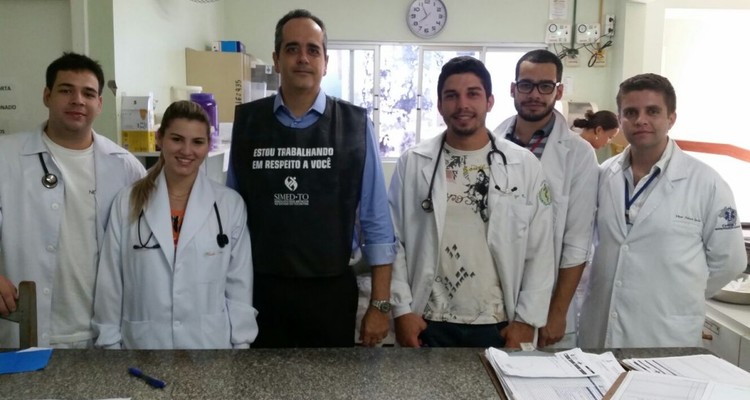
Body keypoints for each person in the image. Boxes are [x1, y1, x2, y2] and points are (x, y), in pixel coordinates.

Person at [227, 9, 396, 348]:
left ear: (325, 62)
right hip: (259, 293)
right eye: (292, 49)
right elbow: (231, 218)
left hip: (330, 293)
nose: (303, 58)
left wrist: (380, 305)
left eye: (312, 50)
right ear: (277, 60)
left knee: (330, 380)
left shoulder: (355, 125)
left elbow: (377, 222)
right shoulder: (248, 124)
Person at [389, 56, 555, 348]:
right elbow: (394, 240)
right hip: (428, 320)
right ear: (439, 105)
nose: (462, 104)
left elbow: (540, 249)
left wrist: (527, 320)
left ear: (490, 101)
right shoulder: (413, 162)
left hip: (499, 322)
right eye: (451, 96)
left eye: (473, 94)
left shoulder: (524, 165)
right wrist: (402, 310)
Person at [578, 73, 747, 348]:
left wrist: (680, 296)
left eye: (653, 111)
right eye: (631, 112)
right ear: (620, 119)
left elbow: (730, 262)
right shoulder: (603, 174)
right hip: (599, 330)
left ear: (671, 118)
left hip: (666, 334)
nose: (641, 120)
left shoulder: (707, 183)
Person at [0, 52, 146, 348]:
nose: (78, 100)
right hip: (19, 326)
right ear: (47, 96)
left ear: (99, 103)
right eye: (66, 90)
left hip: (98, 332)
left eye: (88, 94)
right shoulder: (6, 155)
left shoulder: (125, 166)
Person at [92, 101, 257, 349]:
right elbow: (110, 283)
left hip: (209, 346)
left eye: (197, 142)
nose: (187, 150)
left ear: (207, 146)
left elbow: (239, 285)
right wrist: (109, 345)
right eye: (177, 139)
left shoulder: (229, 205)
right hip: (144, 346)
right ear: (160, 139)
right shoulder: (127, 202)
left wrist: (241, 344)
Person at [493, 49, 599, 348]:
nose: (534, 94)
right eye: (526, 85)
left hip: (547, 299)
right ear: (513, 89)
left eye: (545, 86)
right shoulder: (490, 143)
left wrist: (557, 312)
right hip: (491, 297)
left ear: (558, 91)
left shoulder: (578, 154)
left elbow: (577, 241)